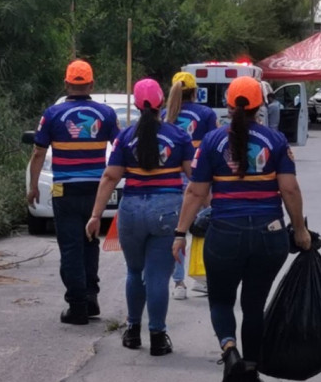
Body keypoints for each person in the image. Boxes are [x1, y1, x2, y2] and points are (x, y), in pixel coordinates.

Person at [172, 76, 311, 382]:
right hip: (269, 235)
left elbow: (195, 192)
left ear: (229, 105)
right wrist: (300, 230)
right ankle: (250, 373)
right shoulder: (275, 140)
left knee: (221, 300)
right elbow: (289, 188)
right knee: (253, 305)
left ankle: (229, 349)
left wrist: (180, 233)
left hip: (224, 235)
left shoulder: (211, 141)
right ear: (261, 104)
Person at [86, 79, 194, 356]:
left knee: (134, 272)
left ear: (135, 104)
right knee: (158, 277)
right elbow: (195, 177)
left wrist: (96, 215)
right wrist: (210, 202)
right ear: (161, 104)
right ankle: (158, 337)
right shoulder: (179, 136)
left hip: (131, 210)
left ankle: (133, 332)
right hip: (168, 210)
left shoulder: (125, 138)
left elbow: (110, 176)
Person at [27, 60, 119, 325]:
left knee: (70, 248)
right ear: (91, 83)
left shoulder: (52, 114)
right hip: (95, 191)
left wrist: (34, 186)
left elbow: (38, 152)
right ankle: (90, 297)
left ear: (67, 83)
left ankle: (77, 305)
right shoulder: (106, 114)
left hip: (64, 191)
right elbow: (120, 148)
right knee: (90, 243)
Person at [163, 71, 218, 300]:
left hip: (174, 182)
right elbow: (215, 146)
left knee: (179, 232)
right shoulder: (206, 114)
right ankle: (203, 279)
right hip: (201, 181)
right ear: (195, 92)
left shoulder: (165, 115)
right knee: (204, 229)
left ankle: (178, 284)